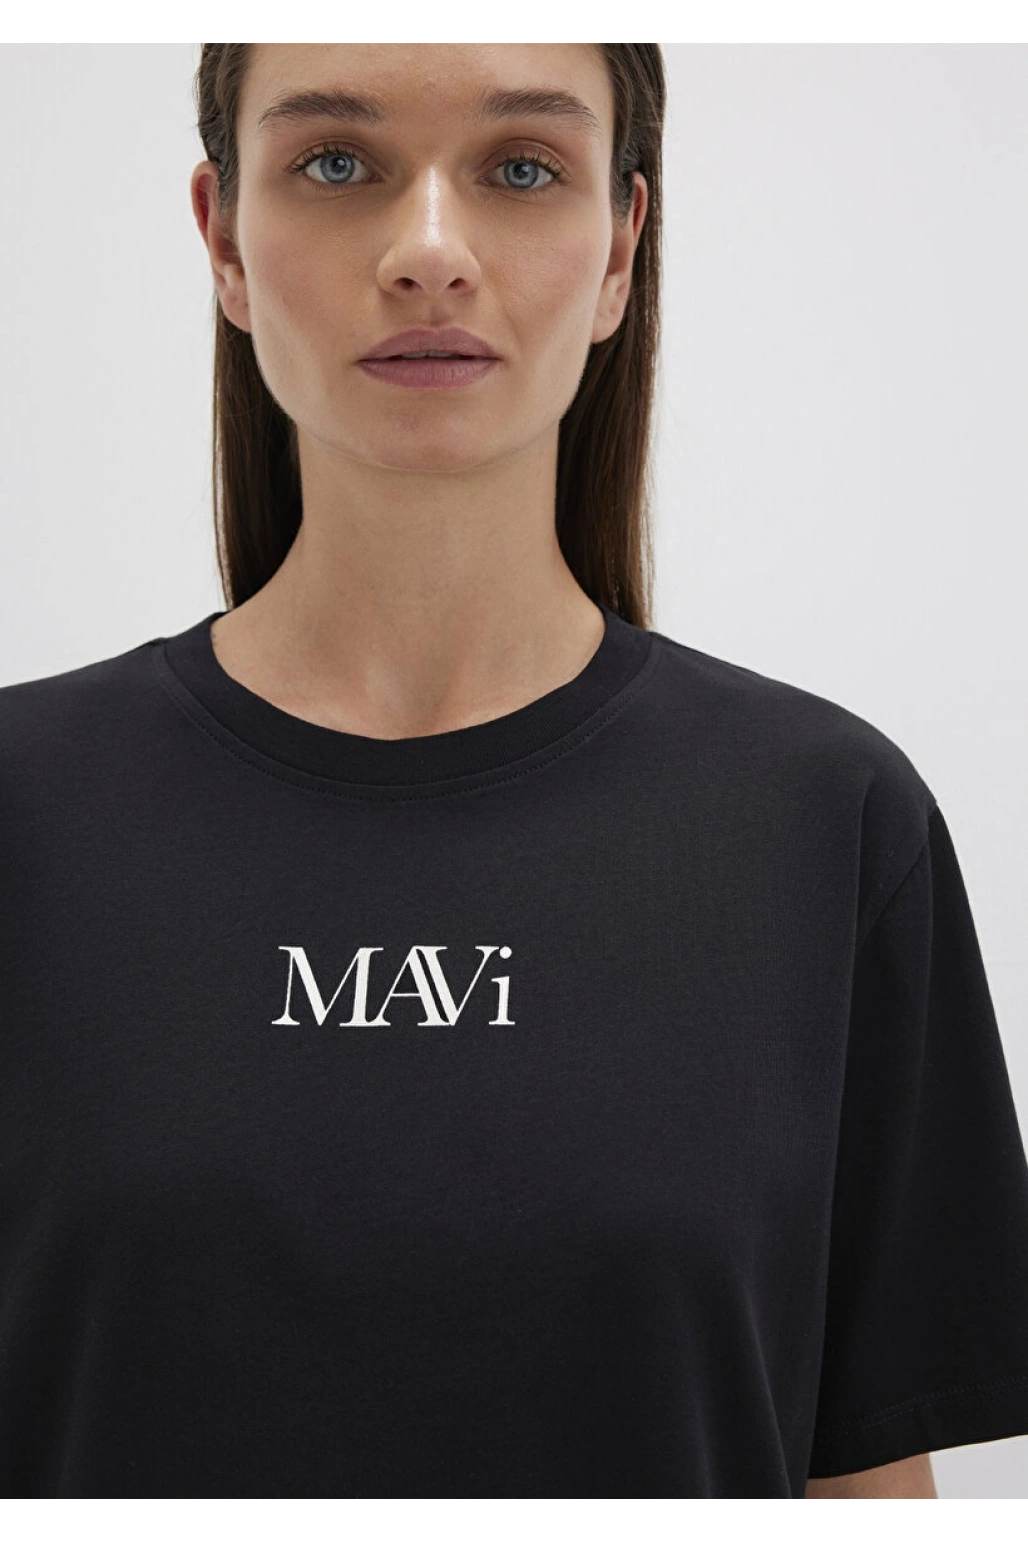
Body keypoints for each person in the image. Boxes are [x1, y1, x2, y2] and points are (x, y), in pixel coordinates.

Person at [0, 39, 1026, 1505]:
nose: (429, 251)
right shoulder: (25, 820)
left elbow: (863, 1485)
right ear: (223, 239)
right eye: (337, 163)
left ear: (619, 249)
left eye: (523, 168)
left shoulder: (831, 826)